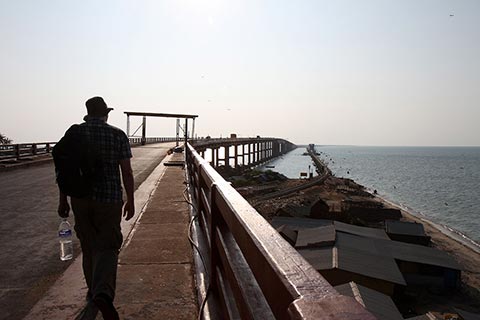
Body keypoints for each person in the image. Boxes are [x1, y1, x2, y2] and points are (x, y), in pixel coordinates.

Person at [57, 96, 135, 320]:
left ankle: (93, 290)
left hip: (80, 198)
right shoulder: (117, 134)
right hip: (109, 199)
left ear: (87, 113)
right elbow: (127, 172)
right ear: (105, 113)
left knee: (89, 245)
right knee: (108, 246)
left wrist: (63, 200)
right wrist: (130, 199)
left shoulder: (75, 134)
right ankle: (102, 292)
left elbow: (64, 170)